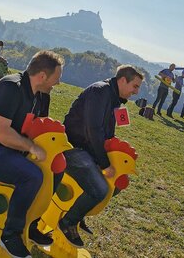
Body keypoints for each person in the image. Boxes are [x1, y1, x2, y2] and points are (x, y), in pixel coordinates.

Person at [0, 50, 64, 258]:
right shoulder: (11, 87)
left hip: (12, 150)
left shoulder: (40, 95)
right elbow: (0, 133)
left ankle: (31, 223)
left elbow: (39, 127)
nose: (58, 83)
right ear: (42, 76)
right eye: (57, 79)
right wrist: (30, 147)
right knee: (32, 175)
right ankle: (10, 234)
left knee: (57, 169)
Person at [58, 65, 143, 247]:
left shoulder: (114, 98)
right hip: (73, 148)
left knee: (117, 184)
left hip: (88, 149)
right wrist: (104, 164)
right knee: (100, 190)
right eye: (135, 86)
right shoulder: (100, 92)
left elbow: (106, 133)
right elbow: (93, 131)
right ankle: (67, 223)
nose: (136, 92)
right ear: (122, 80)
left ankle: (78, 213)